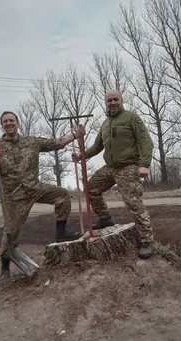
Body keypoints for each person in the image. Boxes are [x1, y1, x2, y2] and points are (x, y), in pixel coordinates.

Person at [0, 111, 84, 279]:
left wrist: (75, 134)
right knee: (11, 231)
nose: (8, 123)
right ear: (2, 126)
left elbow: (56, 143)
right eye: (5, 121)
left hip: (35, 187)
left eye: (11, 120)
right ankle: (5, 266)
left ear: (18, 123)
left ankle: (61, 231)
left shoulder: (31, 141)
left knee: (62, 195)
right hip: (14, 196)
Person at [72, 90, 154, 259]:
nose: (113, 103)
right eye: (109, 100)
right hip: (110, 167)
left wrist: (145, 164)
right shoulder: (105, 124)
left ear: (121, 100)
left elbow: (145, 140)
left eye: (116, 99)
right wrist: (80, 156)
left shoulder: (131, 118)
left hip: (128, 167)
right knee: (90, 188)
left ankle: (147, 240)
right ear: (106, 103)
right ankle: (105, 218)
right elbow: (96, 148)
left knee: (133, 203)